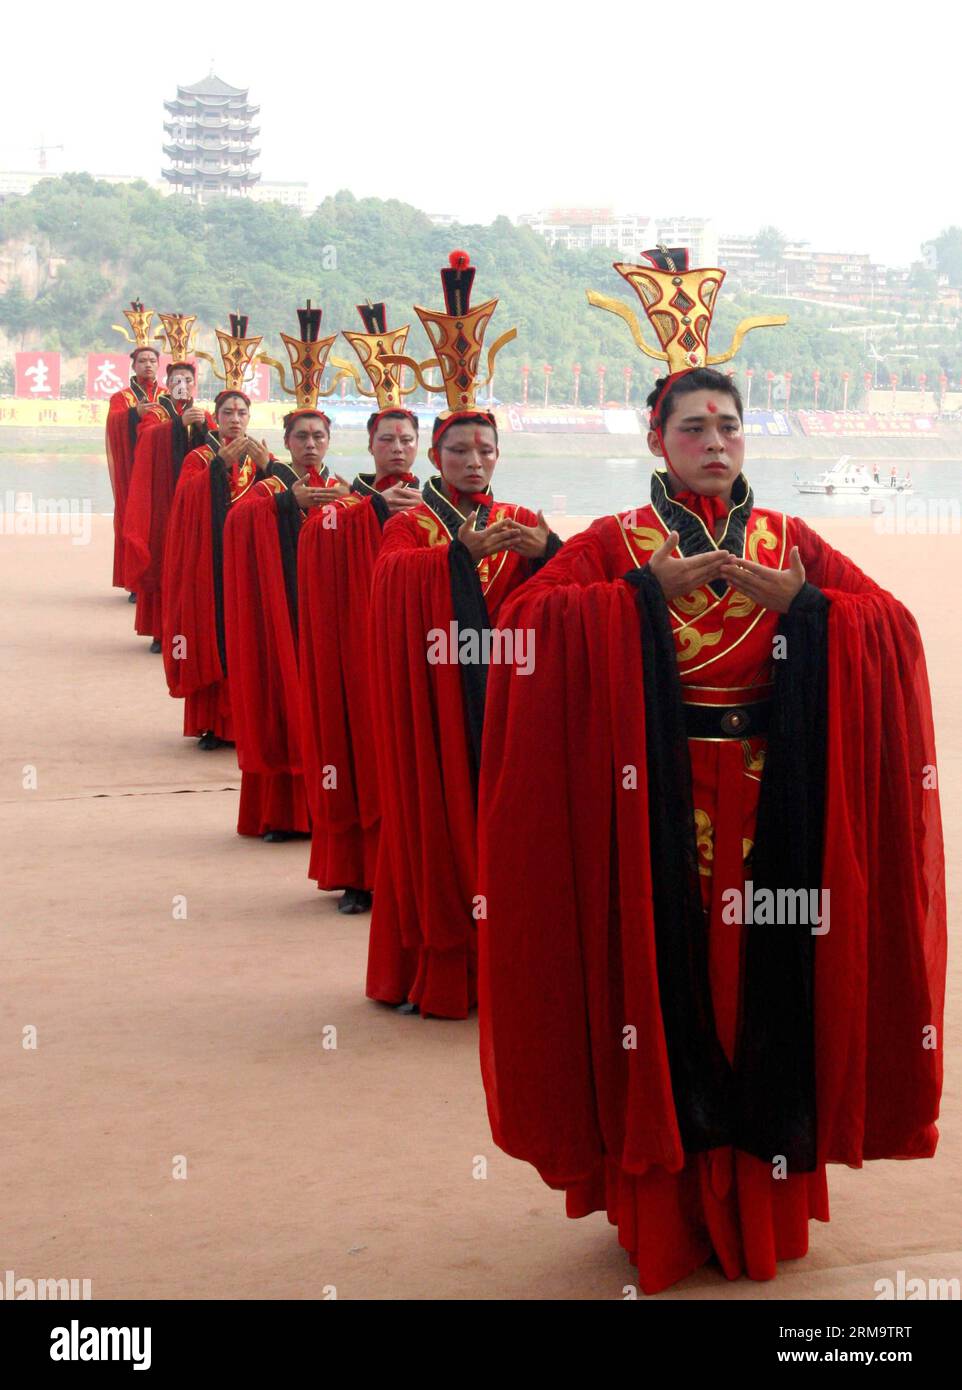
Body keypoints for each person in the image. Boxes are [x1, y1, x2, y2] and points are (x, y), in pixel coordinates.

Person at [476, 249, 946, 1294]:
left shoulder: (789, 541)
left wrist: (805, 610)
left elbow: (895, 632)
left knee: (762, 998)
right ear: (656, 440)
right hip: (652, 806)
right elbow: (518, 630)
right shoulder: (614, 543)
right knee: (662, 989)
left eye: (727, 425)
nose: (714, 441)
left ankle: (759, 1209)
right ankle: (670, 1214)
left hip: (770, 807)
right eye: (692, 426)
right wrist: (637, 599)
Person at [365, 252, 563, 1019]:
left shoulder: (516, 522)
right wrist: (452, 558)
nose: (473, 462)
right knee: (440, 824)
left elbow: (566, 591)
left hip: (504, 699)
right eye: (458, 451)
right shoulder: (414, 523)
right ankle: (442, 968)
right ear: (435, 458)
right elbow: (387, 590)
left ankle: (508, 968)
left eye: (484, 451)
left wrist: (547, 554)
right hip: (439, 702)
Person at [299, 300, 424, 912]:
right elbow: (317, 537)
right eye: (387, 440)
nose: (397, 449)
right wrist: (376, 510)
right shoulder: (344, 509)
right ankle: (360, 873)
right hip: (358, 655)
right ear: (370, 446)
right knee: (358, 755)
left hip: (423, 657)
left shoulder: (438, 508)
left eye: (407, 440)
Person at [222, 304, 349, 841]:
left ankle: (327, 814)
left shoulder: (342, 488)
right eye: (302, 437)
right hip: (282, 614)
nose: (312, 445)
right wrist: (282, 505)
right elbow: (236, 524)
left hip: (327, 620)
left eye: (319, 436)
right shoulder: (269, 490)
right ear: (288, 442)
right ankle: (282, 813)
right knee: (281, 706)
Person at [162, 313, 282, 751]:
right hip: (210, 562)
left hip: (247, 562)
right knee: (213, 636)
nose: (236, 418)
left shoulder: (261, 454)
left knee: (247, 640)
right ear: (215, 416)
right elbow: (185, 501)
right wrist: (218, 465)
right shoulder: (200, 457)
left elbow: (281, 499)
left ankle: (244, 721)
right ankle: (212, 723)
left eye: (242, 412)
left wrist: (267, 467)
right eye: (228, 412)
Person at [123, 344, 213, 653]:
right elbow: (146, 439)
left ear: (193, 384)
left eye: (187, 379)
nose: (182, 384)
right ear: (168, 380)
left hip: (194, 503)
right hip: (164, 499)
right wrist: (177, 425)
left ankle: (189, 630)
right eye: (176, 378)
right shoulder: (156, 412)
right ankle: (161, 632)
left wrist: (200, 425)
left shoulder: (204, 414)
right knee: (164, 561)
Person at [105, 302, 164, 594]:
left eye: (152, 360)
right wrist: (134, 415)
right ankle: (134, 581)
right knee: (132, 518)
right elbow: (114, 425)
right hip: (132, 468)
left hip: (160, 468)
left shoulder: (167, 396)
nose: (148, 365)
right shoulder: (122, 398)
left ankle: (154, 576)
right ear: (133, 366)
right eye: (142, 361)